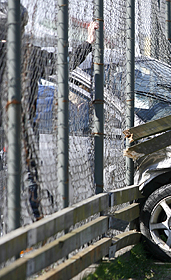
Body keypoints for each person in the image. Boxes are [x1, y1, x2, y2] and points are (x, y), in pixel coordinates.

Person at [0, 2, 98, 220]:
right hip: (22, 130)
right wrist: (88, 42)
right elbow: (63, 64)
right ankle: (39, 225)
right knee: (28, 178)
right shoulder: (28, 53)